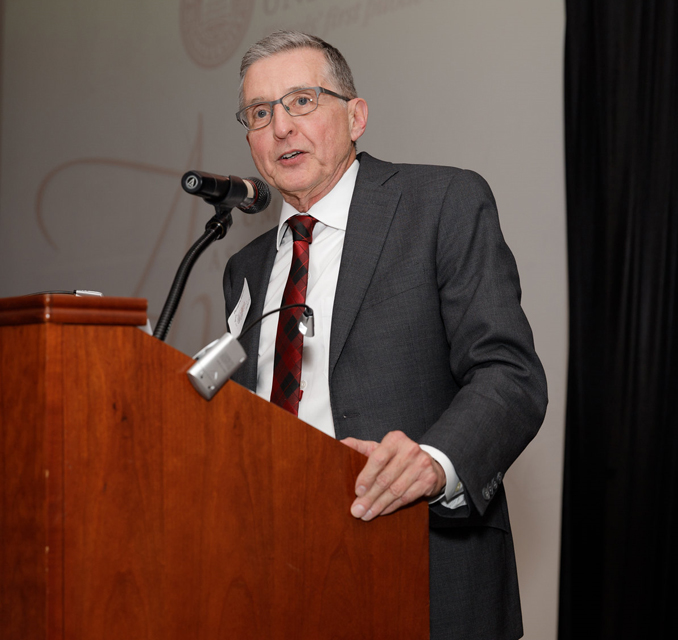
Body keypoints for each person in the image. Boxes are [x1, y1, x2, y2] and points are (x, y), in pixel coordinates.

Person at [223, 31, 547, 640]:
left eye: (302, 101)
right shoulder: (243, 268)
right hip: (273, 579)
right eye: (260, 113)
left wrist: (432, 462)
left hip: (421, 569)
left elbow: (509, 373)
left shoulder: (442, 202)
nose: (282, 127)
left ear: (356, 116)